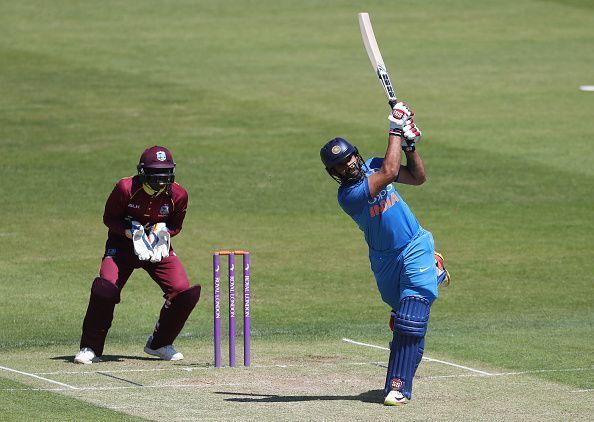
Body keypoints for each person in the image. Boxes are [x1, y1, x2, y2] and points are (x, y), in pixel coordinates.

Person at [320, 102, 450, 405]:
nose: (348, 165)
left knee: (411, 317)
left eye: (350, 158)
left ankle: (398, 387)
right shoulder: (349, 196)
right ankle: (433, 275)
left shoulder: (375, 164)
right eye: (340, 165)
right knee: (405, 320)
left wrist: (410, 145)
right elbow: (391, 173)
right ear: (334, 173)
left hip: (415, 245)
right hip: (385, 261)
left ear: (356, 154)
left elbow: (418, 177)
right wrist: (395, 127)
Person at [74, 146, 201, 364]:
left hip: (156, 247)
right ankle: (90, 347)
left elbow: (176, 226)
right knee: (105, 289)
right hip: (122, 246)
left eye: (166, 174)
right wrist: (129, 231)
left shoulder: (178, 195)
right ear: (143, 172)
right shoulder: (125, 188)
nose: (161, 180)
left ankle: (160, 344)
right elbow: (109, 218)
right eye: (155, 175)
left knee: (182, 292)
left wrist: (163, 234)